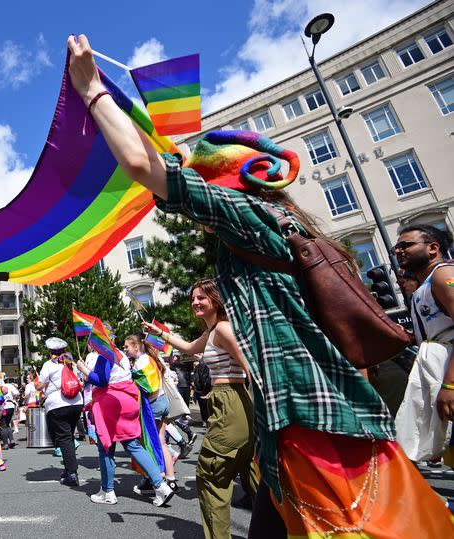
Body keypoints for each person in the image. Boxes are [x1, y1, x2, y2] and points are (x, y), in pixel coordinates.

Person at [66, 33, 454, 538]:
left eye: (206, 181)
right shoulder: (276, 224)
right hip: (299, 412)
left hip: (311, 415)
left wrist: (91, 87)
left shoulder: (250, 217)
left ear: (224, 186)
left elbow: (144, 167)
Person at [144, 281, 258, 539]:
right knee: (248, 471)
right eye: (193, 298)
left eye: (201, 298)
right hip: (231, 403)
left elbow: (252, 367)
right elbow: (187, 347)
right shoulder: (213, 331)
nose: (195, 302)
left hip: (231, 401)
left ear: (215, 300)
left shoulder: (224, 330)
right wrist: (159, 333)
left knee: (210, 475)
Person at [77, 337, 174, 507]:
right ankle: (161, 486)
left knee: (106, 448)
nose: (89, 343)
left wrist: (83, 369)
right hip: (128, 400)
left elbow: (101, 380)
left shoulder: (104, 356)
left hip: (111, 404)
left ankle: (108, 491)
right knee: (133, 445)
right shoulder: (120, 354)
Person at [395, 225, 454, 464]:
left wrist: (450, 385)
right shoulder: (424, 287)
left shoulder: (443, 275)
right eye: (396, 247)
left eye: (406, 245)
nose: (399, 251)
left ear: (432, 248)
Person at [123, 335, 179, 493]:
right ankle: (171, 480)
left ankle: (156, 481)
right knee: (161, 443)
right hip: (163, 402)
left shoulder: (141, 362)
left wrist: (131, 378)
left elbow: (148, 386)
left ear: (136, 347)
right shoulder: (151, 358)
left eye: (127, 346)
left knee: (149, 444)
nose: (125, 349)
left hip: (153, 406)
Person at [34, 337, 84, 486]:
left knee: (64, 438)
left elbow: (39, 386)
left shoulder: (49, 365)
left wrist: (36, 382)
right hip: (76, 402)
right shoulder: (71, 363)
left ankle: (72, 473)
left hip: (57, 404)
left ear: (51, 352)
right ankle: (68, 469)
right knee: (68, 436)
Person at [0, 378, 20, 449]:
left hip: (2, 406)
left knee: (3, 425)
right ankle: (11, 440)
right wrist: (14, 399)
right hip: (11, 406)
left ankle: (5, 444)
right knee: (7, 424)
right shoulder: (10, 386)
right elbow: (17, 394)